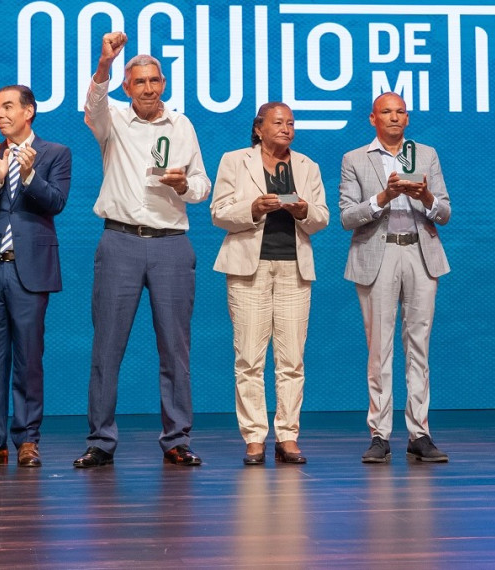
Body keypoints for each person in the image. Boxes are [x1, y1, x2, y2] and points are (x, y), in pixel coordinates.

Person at [73, 32, 211, 468]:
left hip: (171, 244)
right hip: (119, 243)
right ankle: (100, 440)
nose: (148, 88)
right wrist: (104, 64)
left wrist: (184, 184)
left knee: (176, 349)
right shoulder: (111, 118)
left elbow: (203, 186)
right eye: (140, 82)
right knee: (107, 348)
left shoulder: (182, 125)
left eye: (154, 81)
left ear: (164, 83)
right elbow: (92, 104)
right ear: (127, 87)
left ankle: (177, 439)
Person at [0, 85, 71, 468]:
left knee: (28, 358)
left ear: (29, 111)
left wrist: (28, 176)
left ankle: (27, 439)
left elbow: (56, 202)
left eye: (7, 107)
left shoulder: (55, 153)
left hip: (30, 271)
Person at [210, 103, 329, 466]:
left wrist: (303, 210)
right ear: (258, 128)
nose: (286, 128)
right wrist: (254, 208)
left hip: (294, 269)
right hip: (250, 269)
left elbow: (322, 217)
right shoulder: (235, 160)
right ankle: (254, 437)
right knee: (248, 358)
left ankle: (288, 435)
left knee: (292, 359)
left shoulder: (308, 166)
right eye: (278, 122)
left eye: (291, 123)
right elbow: (218, 212)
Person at [339, 92, 451, 463]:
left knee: (419, 346)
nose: (394, 117)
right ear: (373, 118)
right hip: (378, 252)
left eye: (400, 112)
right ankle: (380, 434)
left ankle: (420, 432)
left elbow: (445, 212)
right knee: (379, 348)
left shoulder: (427, 154)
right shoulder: (355, 158)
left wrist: (426, 195)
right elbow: (347, 217)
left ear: (408, 118)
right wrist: (383, 197)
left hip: (420, 253)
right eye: (386, 112)